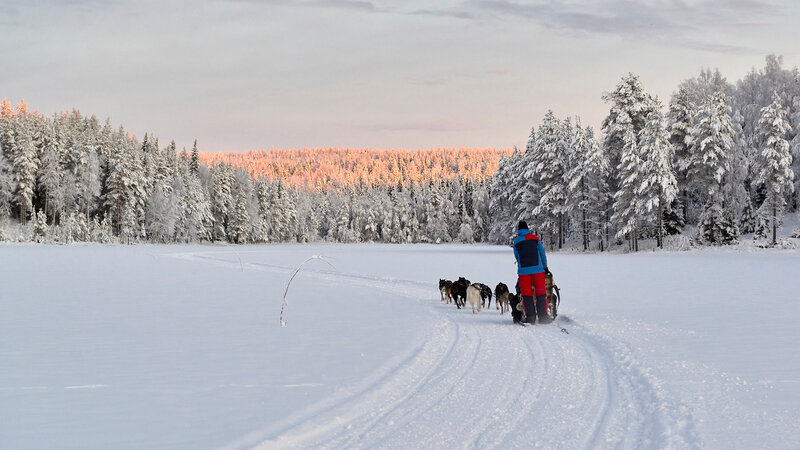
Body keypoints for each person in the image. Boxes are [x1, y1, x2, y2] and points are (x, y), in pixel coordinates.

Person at [512, 221, 551, 324]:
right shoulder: (535, 239)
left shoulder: (516, 241)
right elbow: (542, 253)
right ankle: (543, 317)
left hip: (524, 271)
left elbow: (517, 256)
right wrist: (545, 267)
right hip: (538, 270)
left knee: (526, 293)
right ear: (527, 228)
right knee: (541, 292)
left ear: (519, 230)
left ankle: (530, 317)